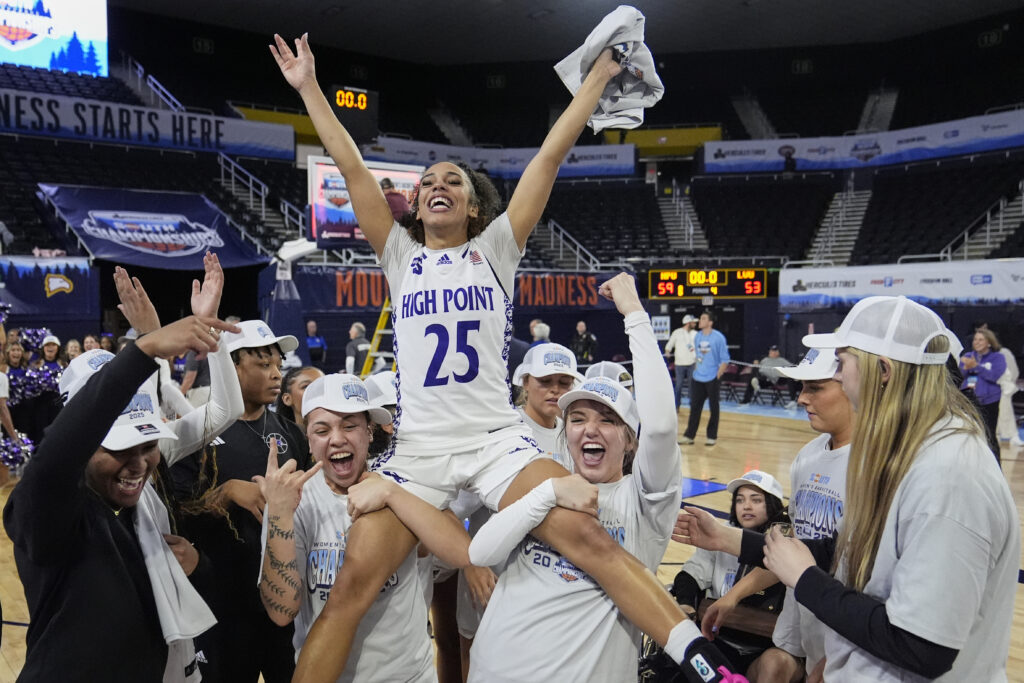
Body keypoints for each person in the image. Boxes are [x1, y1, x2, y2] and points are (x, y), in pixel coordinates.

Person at [272, 33, 720, 683]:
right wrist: (309, 86)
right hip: (421, 447)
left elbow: (551, 154)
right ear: (416, 204)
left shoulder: (495, 251)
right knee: (349, 588)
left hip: (492, 440)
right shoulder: (400, 257)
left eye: (451, 179)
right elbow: (351, 168)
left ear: (475, 204)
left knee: (588, 537)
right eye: (426, 182)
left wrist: (597, 80)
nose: (435, 186)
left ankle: (700, 658)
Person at [675, 295, 1019, 682]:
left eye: (841, 364)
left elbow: (924, 647)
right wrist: (730, 538)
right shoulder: (906, 451)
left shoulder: (949, 474)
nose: (837, 376)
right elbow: (842, 548)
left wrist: (805, 580)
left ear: (883, 370)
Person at [466, 274, 741, 682]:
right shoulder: (546, 484)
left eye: (607, 421)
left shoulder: (644, 501)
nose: (590, 430)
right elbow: (480, 553)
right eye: (577, 419)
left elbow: (663, 427)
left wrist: (634, 314)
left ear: (630, 441)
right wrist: (549, 492)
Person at [4, 315, 235, 682]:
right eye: (121, 448)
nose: (139, 464)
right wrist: (143, 349)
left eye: (149, 446)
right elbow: (52, 463)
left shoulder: (137, 510)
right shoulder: (48, 512)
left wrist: (199, 565)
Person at [257, 372, 469, 683]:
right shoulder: (291, 500)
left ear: (369, 432)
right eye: (322, 429)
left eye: (350, 425)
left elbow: (462, 553)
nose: (337, 438)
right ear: (310, 440)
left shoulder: (405, 485)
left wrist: (390, 493)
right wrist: (278, 515)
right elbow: (280, 612)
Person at [171, 319, 309, 683]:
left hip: (282, 606)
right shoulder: (196, 435)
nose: (277, 374)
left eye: (279, 365)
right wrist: (226, 492)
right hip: (221, 609)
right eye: (264, 364)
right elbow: (174, 520)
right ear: (232, 366)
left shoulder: (291, 433)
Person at [722, 349, 853, 683]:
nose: (802, 398)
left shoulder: (876, 465)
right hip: (809, 635)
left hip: (853, 649)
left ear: (853, 385)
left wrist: (838, 658)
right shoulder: (808, 456)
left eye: (815, 387)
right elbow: (792, 548)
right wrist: (733, 596)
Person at [669, 471, 788, 674]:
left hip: (767, 644)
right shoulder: (722, 532)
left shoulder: (786, 542)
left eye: (756, 500)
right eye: (740, 500)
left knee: (773, 664)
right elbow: (692, 573)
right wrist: (686, 603)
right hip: (720, 639)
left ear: (772, 504)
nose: (746, 506)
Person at [681, 311, 730, 447]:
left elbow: (725, 359)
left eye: (703, 318)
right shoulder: (697, 337)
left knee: (714, 408)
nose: (699, 321)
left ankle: (711, 436)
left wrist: (718, 375)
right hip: (698, 378)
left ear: (710, 322)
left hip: (712, 378)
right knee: (695, 408)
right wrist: (697, 368)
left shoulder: (718, 337)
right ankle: (689, 436)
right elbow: (697, 355)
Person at [959, 328, 1006, 459]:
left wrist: (976, 367)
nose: (977, 342)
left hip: (989, 402)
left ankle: (996, 468)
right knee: (968, 435)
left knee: (989, 435)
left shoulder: (998, 358)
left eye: (981, 340)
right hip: (969, 401)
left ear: (989, 343)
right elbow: (960, 376)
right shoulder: (968, 356)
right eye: (975, 339)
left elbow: (994, 376)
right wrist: (965, 367)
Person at [274, 365, 324, 431]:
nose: (317, 391)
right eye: (306, 386)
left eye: (322, 385)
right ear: (287, 399)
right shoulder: (277, 438)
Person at [664, 314, 697, 408]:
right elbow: (669, 345)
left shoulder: (695, 334)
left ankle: (693, 406)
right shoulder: (677, 332)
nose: (695, 323)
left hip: (692, 363)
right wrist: (667, 351)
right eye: (693, 322)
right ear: (688, 323)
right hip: (679, 364)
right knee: (678, 386)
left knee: (692, 386)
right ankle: (677, 405)